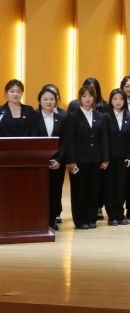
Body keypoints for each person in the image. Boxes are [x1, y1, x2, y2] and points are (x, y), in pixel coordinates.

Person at [100, 88, 130, 227]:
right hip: (109, 159)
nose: (118, 101)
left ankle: (120, 214)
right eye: (115, 99)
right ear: (111, 101)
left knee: (122, 187)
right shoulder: (105, 117)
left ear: (125, 101)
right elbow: (103, 139)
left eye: (121, 99)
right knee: (110, 187)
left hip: (125, 159)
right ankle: (112, 215)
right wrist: (105, 158)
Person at [33, 85, 66, 230]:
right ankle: (38, 220)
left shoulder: (61, 118)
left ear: (56, 101)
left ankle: (52, 220)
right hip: (38, 163)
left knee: (55, 191)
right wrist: (41, 159)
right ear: (39, 100)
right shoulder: (33, 117)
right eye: (45, 99)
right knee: (39, 192)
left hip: (57, 163)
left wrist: (59, 159)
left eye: (52, 99)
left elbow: (65, 141)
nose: (48, 102)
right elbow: (31, 139)